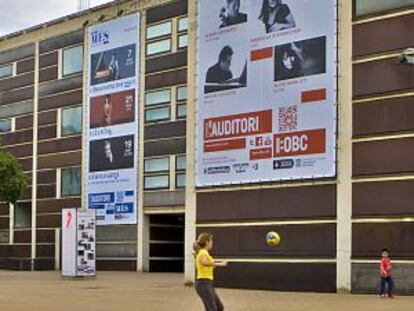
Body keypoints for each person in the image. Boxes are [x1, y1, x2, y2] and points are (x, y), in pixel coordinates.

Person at [194, 232, 228, 311]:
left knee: (219, 307)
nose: (212, 243)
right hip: (203, 284)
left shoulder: (205, 253)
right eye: (211, 241)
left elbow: (208, 262)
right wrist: (220, 264)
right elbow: (204, 262)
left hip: (207, 283)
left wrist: (216, 262)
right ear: (207, 242)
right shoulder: (203, 252)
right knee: (212, 309)